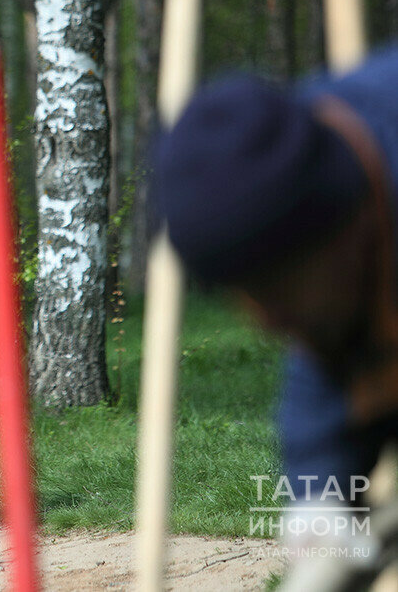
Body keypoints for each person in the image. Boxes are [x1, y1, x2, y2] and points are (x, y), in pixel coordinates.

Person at [154, 45, 398, 552]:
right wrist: (318, 495)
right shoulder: (312, 172)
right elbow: (329, 359)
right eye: (243, 294)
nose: (266, 321)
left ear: (342, 225)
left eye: (274, 289)